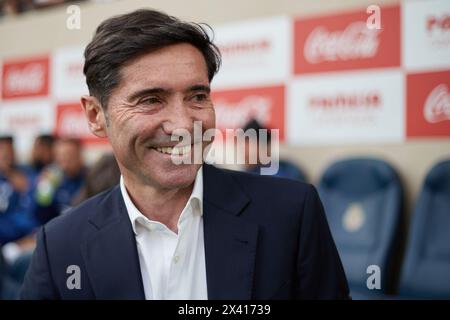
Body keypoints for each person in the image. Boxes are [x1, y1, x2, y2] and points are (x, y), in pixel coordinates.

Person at [21, 9, 349, 300]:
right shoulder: (59, 246)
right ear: (95, 115)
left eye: (196, 96)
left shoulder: (292, 213)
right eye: (151, 100)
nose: (183, 125)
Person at [33, 137, 85, 224]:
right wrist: (44, 189)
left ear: (79, 155)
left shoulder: (90, 179)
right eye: (61, 156)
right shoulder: (49, 179)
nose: (65, 161)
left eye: (69, 155)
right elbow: (40, 217)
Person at [241, 119, 307, 181]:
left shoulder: (288, 172)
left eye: (248, 145)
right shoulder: (243, 176)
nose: (244, 151)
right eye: (243, 146)